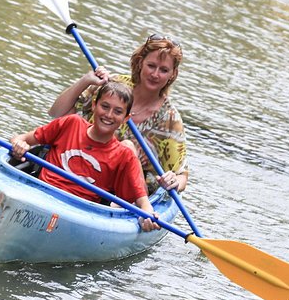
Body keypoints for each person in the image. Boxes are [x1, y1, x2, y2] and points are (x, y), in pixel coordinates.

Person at [48, 34, 188, 196]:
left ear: (172, 74)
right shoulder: (112, 85)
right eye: (151, 66)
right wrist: (85, 81)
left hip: (123, 192)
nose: (155, 74)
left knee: (128, 147)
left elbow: (182, 175)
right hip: (79, 162)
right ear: (140, 62)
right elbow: (56, 114)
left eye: (164, 70)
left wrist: (173, 181)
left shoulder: (170, 120)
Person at [10, 80, 156, 229]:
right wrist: (20, 145)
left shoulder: (124, 155)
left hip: (79, 213)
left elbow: (143, 202)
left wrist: (147, 216)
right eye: (105, 106)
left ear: (126, 118)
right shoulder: (71, 123)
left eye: (118, 112)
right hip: (40, 194)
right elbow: (21, 138)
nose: (109, 115)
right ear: (94, 105)